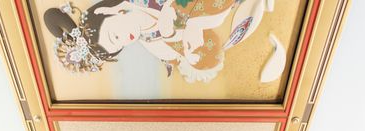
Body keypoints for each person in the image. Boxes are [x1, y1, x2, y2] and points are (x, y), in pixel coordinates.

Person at [44, 0, 284, 83]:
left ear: (107, 12)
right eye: (119, 45)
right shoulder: (149, 40)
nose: (125, 39)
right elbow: (174, 50)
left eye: (115, 35)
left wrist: (171, 11)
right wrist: (182, 53)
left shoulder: (139, 3)